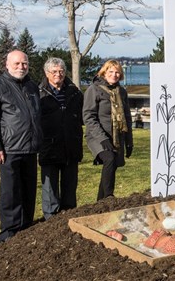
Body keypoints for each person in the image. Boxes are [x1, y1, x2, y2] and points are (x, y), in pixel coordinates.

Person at [0, 50, 42, 242]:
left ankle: (25, 227)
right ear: (7, 65)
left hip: (30, 148)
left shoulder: (32, 87)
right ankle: (9, 232)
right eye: (17, 64)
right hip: (9, 149)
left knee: (29, 191)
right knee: (11, 193)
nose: (21, 67)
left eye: (24, 63)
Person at [39, 58, 83, 219]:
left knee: (70, 186)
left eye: (61, 71)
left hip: (71, 144)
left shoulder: (75, 92)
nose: (58, 74)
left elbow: (83, 116)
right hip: (49, 146)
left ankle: (69, 214)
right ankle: (51, 218)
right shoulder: (40, 93)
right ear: (47, 73)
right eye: (54, 71)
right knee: (49, 188)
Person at [83, 60, 133, 200]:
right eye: (111, 71)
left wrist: (129, 142)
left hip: (117, 135)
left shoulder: (121, 92)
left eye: (117, 72)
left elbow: (127, 118)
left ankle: (100, 201)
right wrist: (102, 139)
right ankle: (109, 197)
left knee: (111, 167)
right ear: (104, 73)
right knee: (109, 159)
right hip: (98, 136)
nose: (114, 75)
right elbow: (89, 117)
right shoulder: (94, 89)